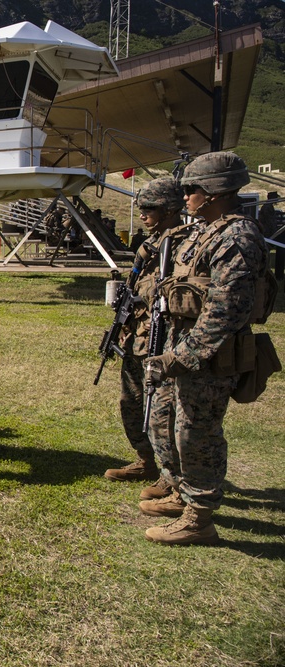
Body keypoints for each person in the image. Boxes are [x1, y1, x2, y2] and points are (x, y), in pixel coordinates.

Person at [142, 151, 268, 545]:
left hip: (208, 357)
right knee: (168, 423)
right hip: (181, 347)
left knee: (197, 432)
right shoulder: (206, 231)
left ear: (212, 192)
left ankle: (199, 518)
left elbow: (225, 313)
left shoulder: (237, 237)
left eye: (191, 189)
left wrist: (181, 357)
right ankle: (181, 491)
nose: (186, 198)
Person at [103, 177, 190, 485]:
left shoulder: (185, 246)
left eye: (148, 208)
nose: (142, 214)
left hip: (164, 343)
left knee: (162, 411)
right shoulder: (149, 246)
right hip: (136, 339)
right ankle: (145, 460)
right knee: (132, 403)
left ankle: (173, 475)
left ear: (169, 209)